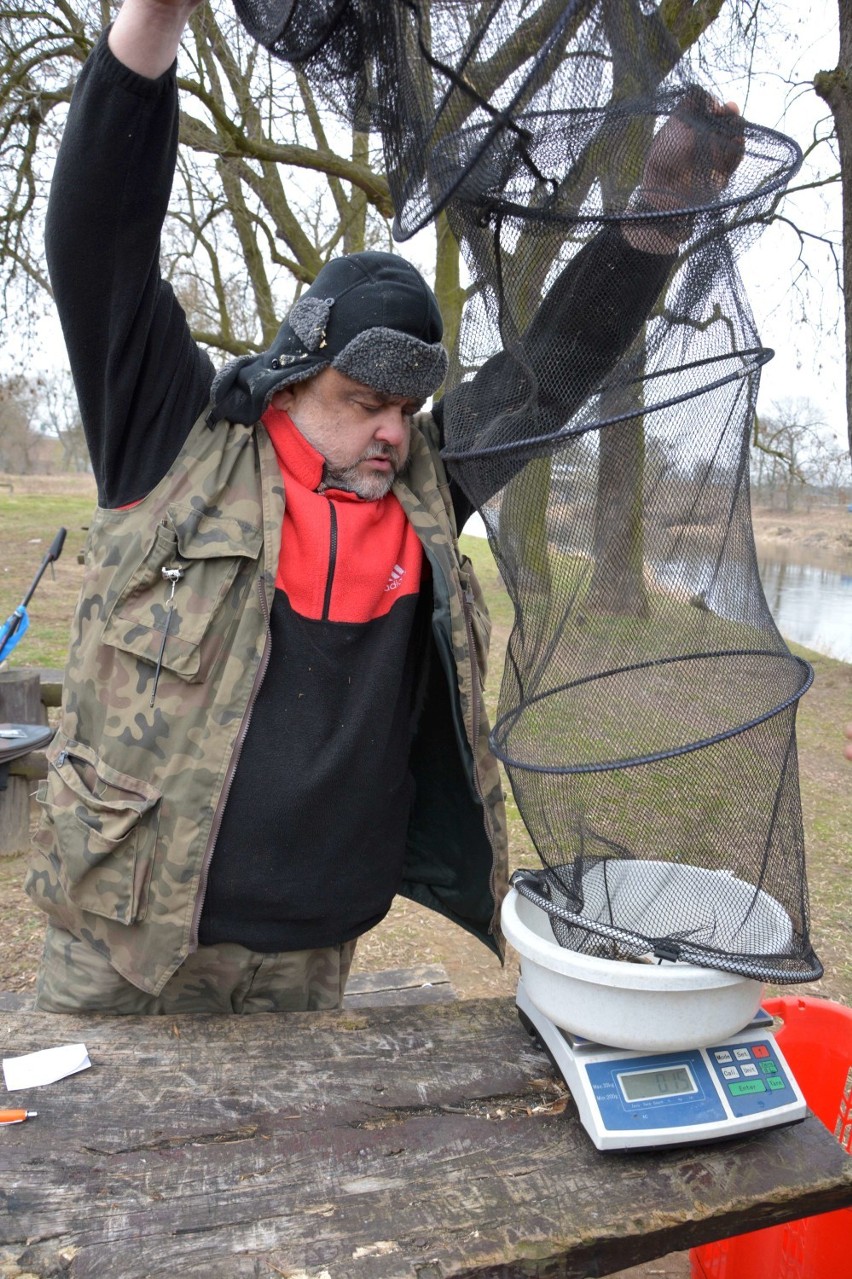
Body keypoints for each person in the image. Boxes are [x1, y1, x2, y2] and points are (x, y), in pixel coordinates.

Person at [28, 0, 742, 1014]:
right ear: (290, 381)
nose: (394, 434)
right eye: (363, 404)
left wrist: (659, 214)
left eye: (406, 409)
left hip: (312, 961)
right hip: (123, 950)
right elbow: (97, 244)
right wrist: (151, 23)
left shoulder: (422, 492)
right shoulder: (175, 443)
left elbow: (549, 373)